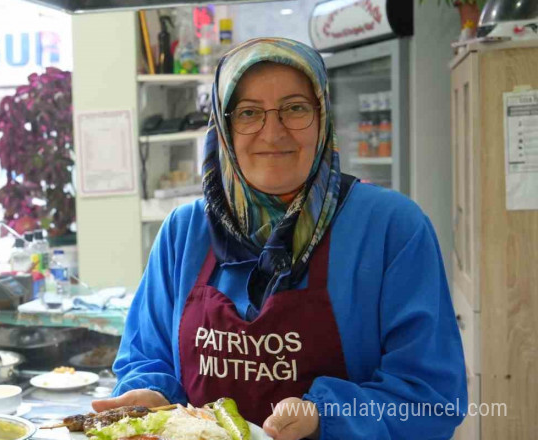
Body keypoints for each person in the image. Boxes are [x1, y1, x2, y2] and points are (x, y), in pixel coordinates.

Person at [92, 38, 467, 440]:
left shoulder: (391, 228)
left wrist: (325, 415)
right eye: (249, 113)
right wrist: (151, 395)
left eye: (295, 108)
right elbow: (147, 357)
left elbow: (431, 397)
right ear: (223, 126)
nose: (273, 133)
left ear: (322, 116)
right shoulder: (184, 233)